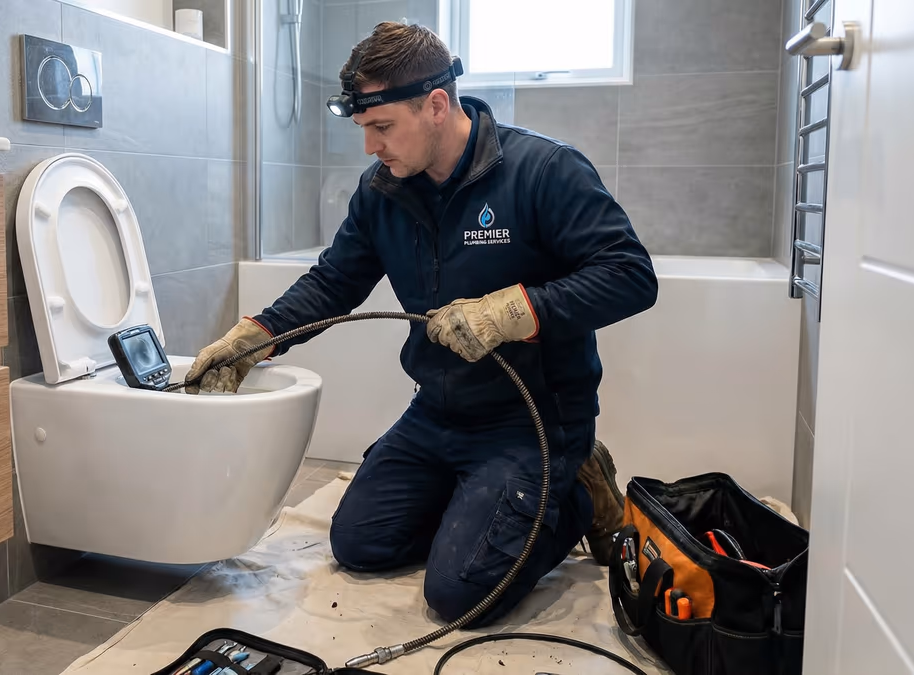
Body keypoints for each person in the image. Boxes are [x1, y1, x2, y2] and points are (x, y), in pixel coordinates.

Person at [186, 22, 657, 626]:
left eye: (382, 128)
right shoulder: (384, 190)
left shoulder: (544, 171)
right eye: (364, 130)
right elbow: (335, 282)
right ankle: (487, 509)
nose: (370, 147)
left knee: (461, 593)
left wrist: (514, 312)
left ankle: (574, 491)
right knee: (360, 545)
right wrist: (256, 337)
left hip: (532, 419)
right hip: (436, 414)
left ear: (436, 105)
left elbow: (631, 275)